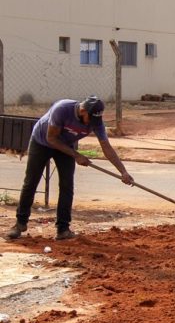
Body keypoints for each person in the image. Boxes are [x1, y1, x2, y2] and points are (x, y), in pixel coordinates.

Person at [6, 96, 134, 241]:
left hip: (66, 146)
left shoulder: (95, 122)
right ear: (83, 110)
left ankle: (63, 229)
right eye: (90, 119)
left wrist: (123, 172)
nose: (91, 124)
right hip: (42, 142)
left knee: (67, 185)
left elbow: (106, 146)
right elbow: (51, 139)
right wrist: (76, 155)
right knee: (31, 182)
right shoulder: (62, 109)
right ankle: (19, 224)